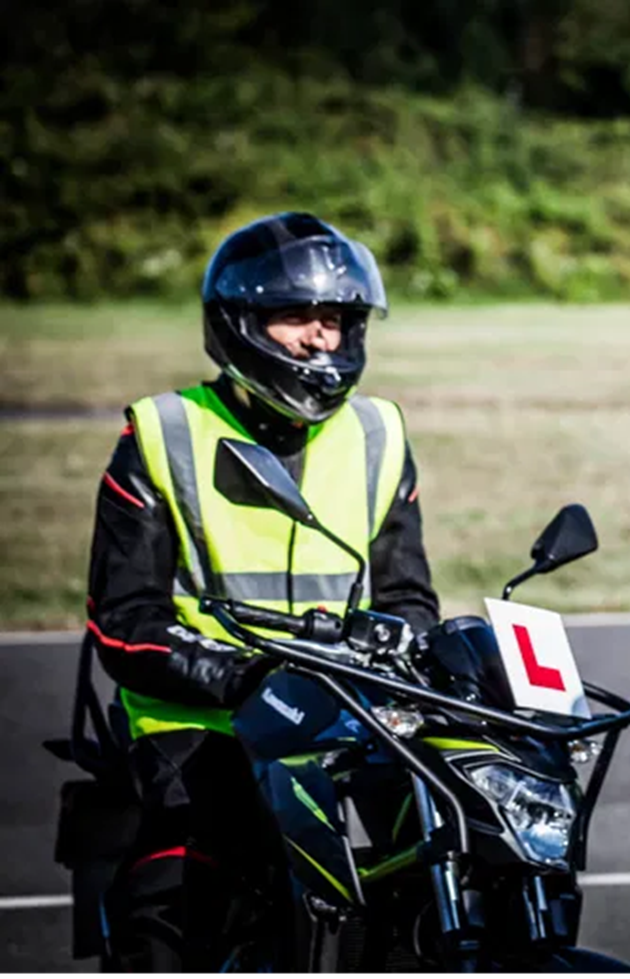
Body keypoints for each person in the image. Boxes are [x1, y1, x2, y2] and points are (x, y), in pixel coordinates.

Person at [86, 212, 439, 969]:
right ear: (240, 324)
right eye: (296, 317)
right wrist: (246, 678)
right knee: (184, 917)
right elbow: (123, 624)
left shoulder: (378, 434)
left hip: (346, 723)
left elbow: (410, 599)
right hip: (195, 728)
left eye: (336, 319)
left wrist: (403, 650)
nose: (321, 338)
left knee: (430, 877)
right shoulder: (164, 431)